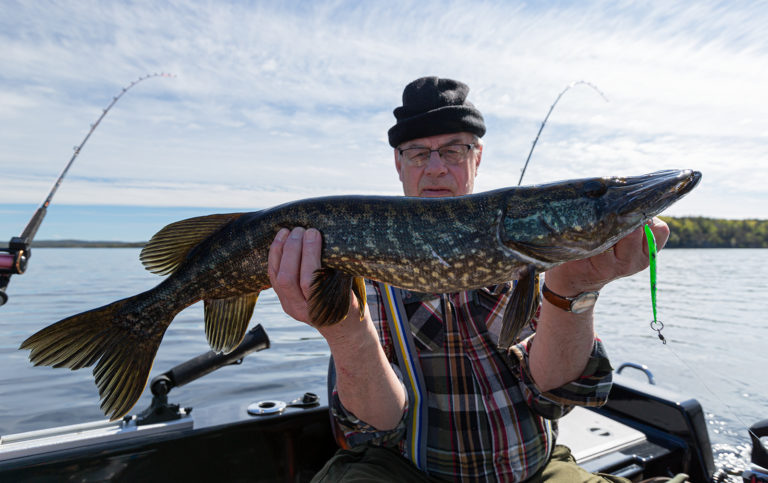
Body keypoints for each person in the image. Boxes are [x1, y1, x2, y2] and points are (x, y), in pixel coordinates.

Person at [267, 77, 671, 482]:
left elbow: (554, 393)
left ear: (477, 156)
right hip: (410, 471)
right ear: (398, 163)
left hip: (534, 469)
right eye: (418, 153)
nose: (437, 166)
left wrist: (574, 289)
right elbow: (376, 424)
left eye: (453, 150)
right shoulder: (358, 266)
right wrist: (344, 330)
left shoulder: (534, 258)